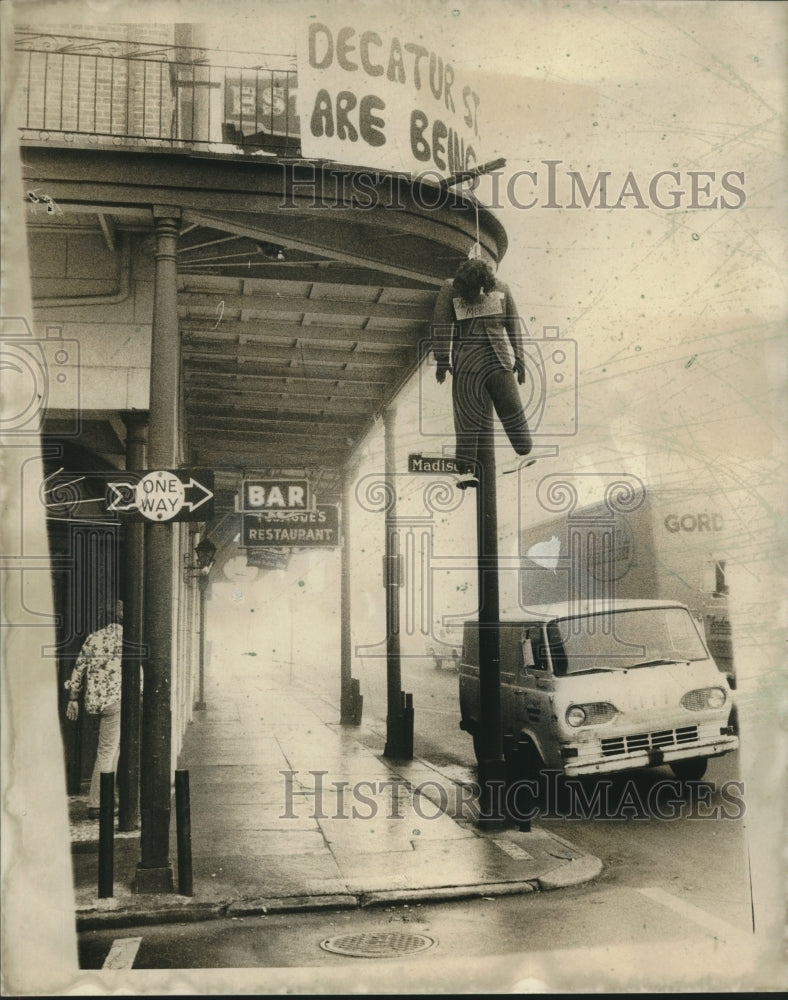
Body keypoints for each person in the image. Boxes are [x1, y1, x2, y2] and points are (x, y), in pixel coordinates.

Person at [431, 250, 534, 488]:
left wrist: (520, 359)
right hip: (469, 365)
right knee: (468, 422)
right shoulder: (451, 288)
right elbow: (442, 323)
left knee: (513, 417)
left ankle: (523, 451)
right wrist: (442, 359)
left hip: (497, 363)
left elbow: (513, 324)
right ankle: (466, 472)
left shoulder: (503, 289)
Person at [65, 602, 123, 819]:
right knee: (108, 751)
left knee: (112, 749)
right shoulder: (125, 639)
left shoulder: (93, 637)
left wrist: (73, 699)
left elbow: (78, 669)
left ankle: (107, 795)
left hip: (95, 702)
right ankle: (97, 803)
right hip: (115, 702)